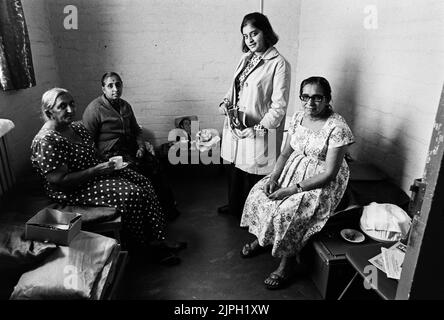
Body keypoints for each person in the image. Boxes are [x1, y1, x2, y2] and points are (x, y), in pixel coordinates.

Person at [31, 88, 181, 265]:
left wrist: (109, 164)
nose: (71, 110)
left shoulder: (77, 128)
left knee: (143, 181)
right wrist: (97, 171)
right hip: (72, 189)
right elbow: (60, 181)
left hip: (93, 173)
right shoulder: (47, 140)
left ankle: (157, 240)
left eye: (72, 104)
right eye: (62, 106)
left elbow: (94, 152)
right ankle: (140, 249)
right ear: (49, 112)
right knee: (132, 194)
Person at [239, 77, 355, 290]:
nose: (310, 103)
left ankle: (286, 263)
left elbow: (330, 173)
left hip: (320, 180)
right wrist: (274, 177)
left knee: (289, 211)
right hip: (293, 168)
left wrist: (293, 189)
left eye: (317, 97)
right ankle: (262, 239)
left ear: (327, 99)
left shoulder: (337, 127)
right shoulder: (298, 118)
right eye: (305, 97)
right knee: (259, 193)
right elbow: (285, 152)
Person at [218, 12, 291, 218]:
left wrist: (258, 129)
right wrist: (226, 102)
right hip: (237, 123)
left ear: (265, 32)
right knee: (235, 167)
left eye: (254, 33)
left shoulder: (279, 64)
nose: (249, 40)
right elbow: (235, 88)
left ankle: (252, 215)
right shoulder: (246, 58)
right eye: (245, 35)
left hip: (259, 128)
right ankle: (234, 207)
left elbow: (279, 106)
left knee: (252, 172)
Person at [82, 72, 181, 221]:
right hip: (111, 153)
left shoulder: (125, 106)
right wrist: (100, 163)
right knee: (139, 172)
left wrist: (141, 146)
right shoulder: (95, 109)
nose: (115, 89)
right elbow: (88, 141)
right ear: (103, 89)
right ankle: (149, 217)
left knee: (155, 165)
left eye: (118, 84)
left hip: (130, 147)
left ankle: (166, 209)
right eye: (110, 86)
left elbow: (136, 130)